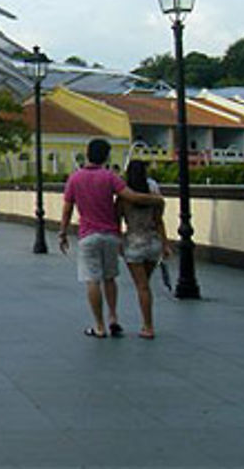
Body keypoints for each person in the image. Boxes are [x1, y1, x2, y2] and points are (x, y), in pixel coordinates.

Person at [58, 139, 165, 339]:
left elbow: (67, 209)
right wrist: (156, 199)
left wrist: (63, 232)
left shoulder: (74, 179)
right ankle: (113, 318)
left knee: (92, 280)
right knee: (110, 278)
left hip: (88, 235)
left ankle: (99, 326)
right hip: (111, 235)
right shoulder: (110, 177)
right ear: (106, 157)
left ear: (87, 153)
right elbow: (131, 196)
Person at [118, 160, 171, 339]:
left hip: (133, 242)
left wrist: (118, 241)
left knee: (142, 287)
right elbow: (159, 221)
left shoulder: (124, 196)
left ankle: (147, 327)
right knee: (145, 286)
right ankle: (148, 325)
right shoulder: (154, 196)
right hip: (153, 242)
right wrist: (165, 244)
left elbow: (116, 218)